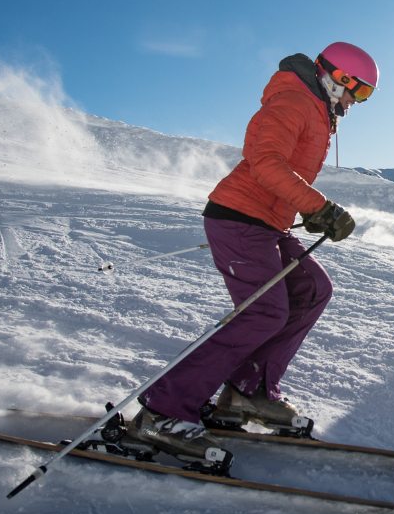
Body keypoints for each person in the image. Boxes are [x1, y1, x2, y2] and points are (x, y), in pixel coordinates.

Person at [130, 42, 378, 459]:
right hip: (238, 218)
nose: (357, 102)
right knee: (263, 312)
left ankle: (249, 391)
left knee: (312, 290)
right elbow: (264, 161)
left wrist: (307, 209)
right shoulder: (294, 100)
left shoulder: (317, 110)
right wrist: (317, 206)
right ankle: (163, 411)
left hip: (266, 223)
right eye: (360, 91)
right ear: (339, 78)